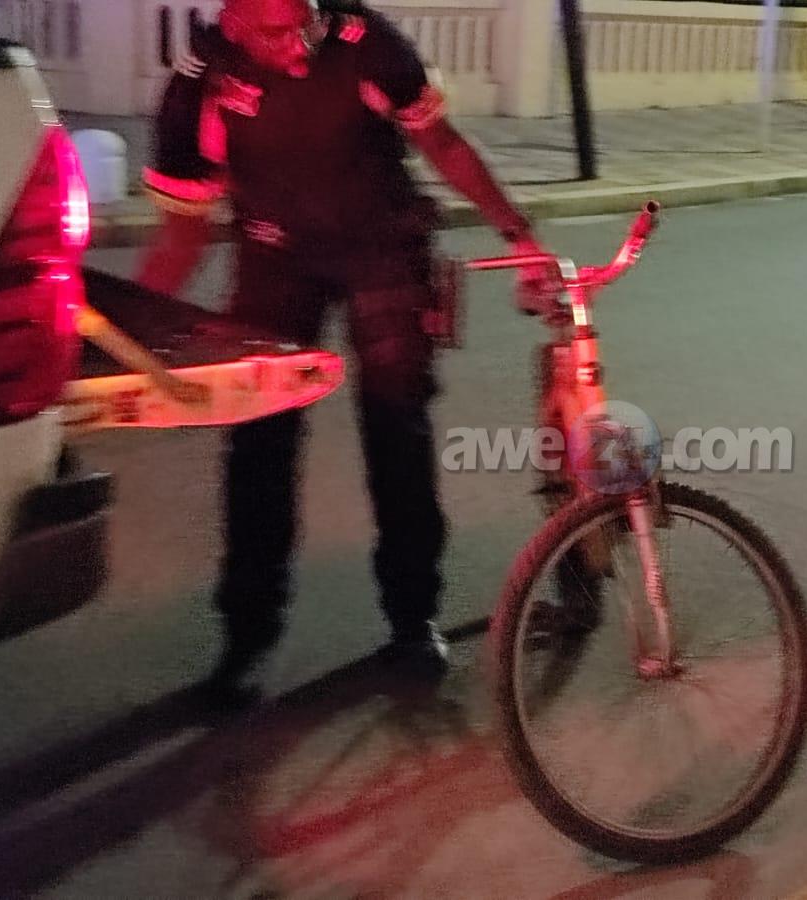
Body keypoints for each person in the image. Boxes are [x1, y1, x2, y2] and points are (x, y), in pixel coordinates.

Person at [134, 0, 551, 705]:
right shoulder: (198, 86)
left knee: (396, 427)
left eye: (307, 22)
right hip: (275, 258)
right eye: (277, 33)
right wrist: (138, 333)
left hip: (383, 247)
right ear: (234, 22)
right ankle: (246, 639)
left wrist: (519, 233)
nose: (300, 46)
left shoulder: (364, 40)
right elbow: (183, 231)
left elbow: (442, 144)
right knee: (258, 442)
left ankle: (413, 620)